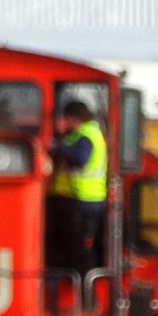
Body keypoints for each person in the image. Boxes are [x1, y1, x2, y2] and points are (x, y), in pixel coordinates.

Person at [47, 100, 108, 281]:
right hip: (82, 199)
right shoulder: (81, 134)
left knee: (80, 248)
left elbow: (80, 159)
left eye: (66, 118)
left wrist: (58, 148)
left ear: (74, 118)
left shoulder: (86, 135)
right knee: (76, 246)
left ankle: (84, 287)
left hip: (85, 201)